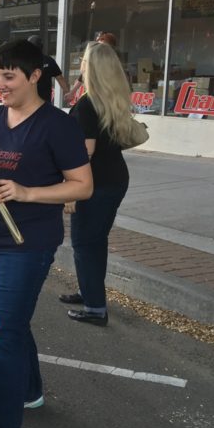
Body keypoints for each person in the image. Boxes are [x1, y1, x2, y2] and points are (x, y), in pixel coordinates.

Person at [0, 39, 92, 428]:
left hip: (27, 244)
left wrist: (27, 191)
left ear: (34, 76)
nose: (0, 84)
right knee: (10, 322)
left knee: (7, 332)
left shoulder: (57, 125)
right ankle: (29, 391)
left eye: (8, 76)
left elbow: (82, 185)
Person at [60, 42, 134, 326]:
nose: (80, 64)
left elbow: (85, 152)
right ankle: (89, 291)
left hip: (93, 184)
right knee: (96, 241)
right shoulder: (113, 98)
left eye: (83, 61)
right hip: (114, 178)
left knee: (84, 243)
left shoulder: (88, 104)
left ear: (90, 68)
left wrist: (71, 191)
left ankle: (95, 308)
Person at [64, 32, 118, 105]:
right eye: (97, 42)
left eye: (100, 42)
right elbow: (82, 76)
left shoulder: (114, 61)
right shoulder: (94, 59)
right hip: (95, 96)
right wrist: (72, 92)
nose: (98, 46)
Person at [27, 35, 67, 105]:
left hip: (28, 99)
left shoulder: (23, 61)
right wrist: (66, 92)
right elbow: (59, 78)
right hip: (45, 100)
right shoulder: (49, 60)